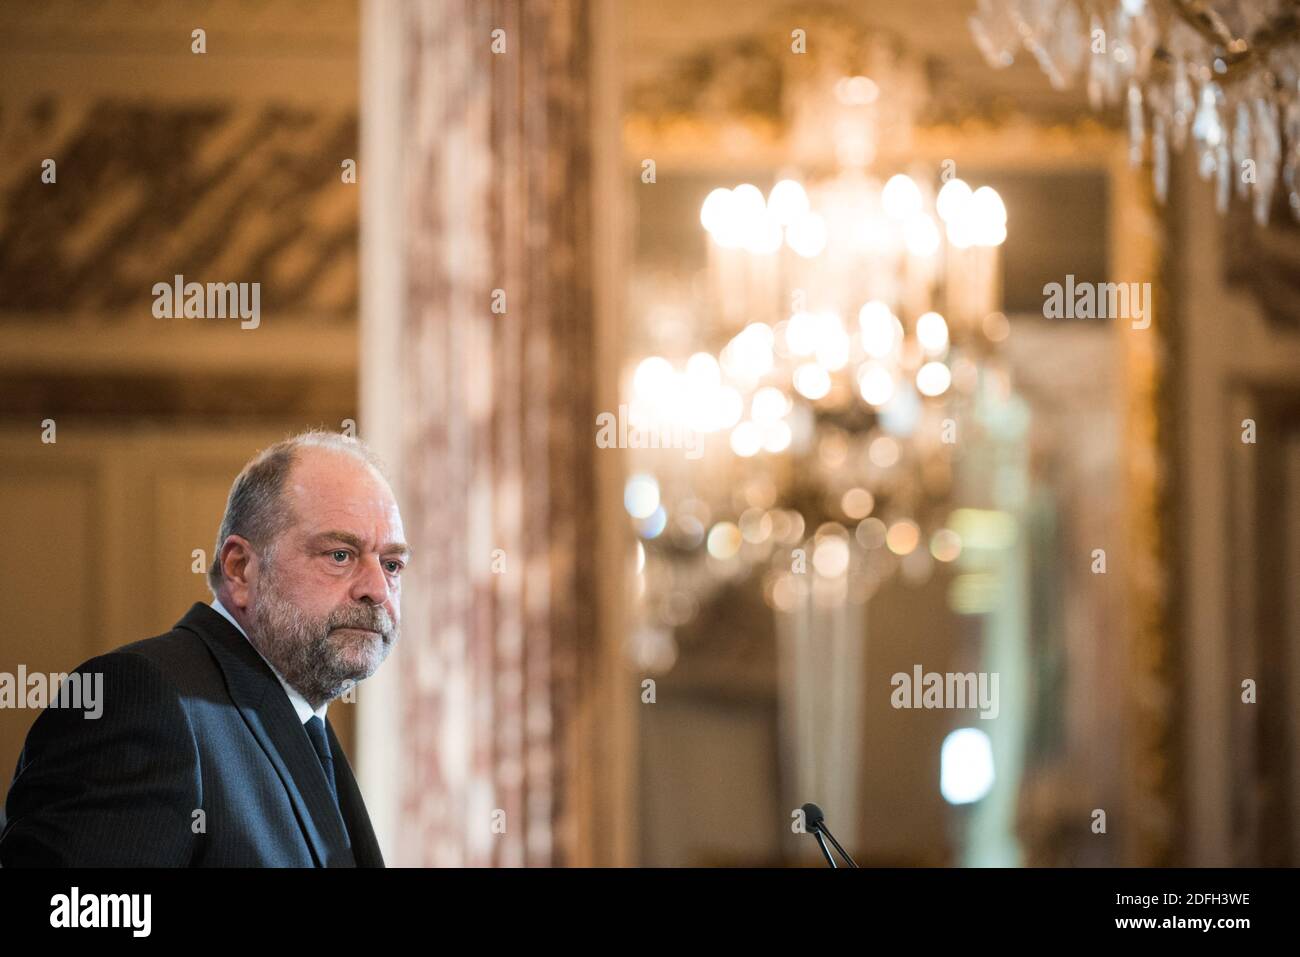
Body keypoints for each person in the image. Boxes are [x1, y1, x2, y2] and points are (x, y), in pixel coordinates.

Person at [0, 431, 408, 866]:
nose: (377, 589)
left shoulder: (307, 723)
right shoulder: (141, 700)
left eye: (392, 564)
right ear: (240, 568)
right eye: (340, 555)